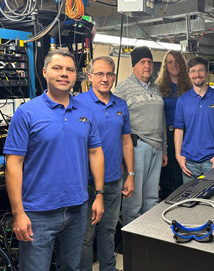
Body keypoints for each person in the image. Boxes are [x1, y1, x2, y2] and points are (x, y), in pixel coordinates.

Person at [3, 49, 105, 271]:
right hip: (37, 212)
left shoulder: (86, 112)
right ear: (45, 72)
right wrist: (18, 213)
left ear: (76, 75)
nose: (64, 74)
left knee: (71, 267)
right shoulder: (27, 113)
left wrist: (99, 194)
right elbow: (13, 164)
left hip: (77, 208)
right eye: (57, 68)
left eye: (70, 69)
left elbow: (95, 152)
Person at [76, 56, 134, 271]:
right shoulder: (78, 103)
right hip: (87, 182)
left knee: (108, 230)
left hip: (115, 179)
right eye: (99, 74)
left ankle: (108, 267)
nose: (105, 78)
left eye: (109, 74)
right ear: (90, 76)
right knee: (85, 235)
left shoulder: (121, 104)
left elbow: (126, 141)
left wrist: (131, 174)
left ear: (114, 77)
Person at [113, 46, 167, 225]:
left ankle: (149, 236)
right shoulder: (123, 89)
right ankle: (132, 239)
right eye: (142, 62)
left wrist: (164, 149)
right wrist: (121, 158)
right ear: (134, 66)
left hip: (157, 148)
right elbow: (116, 125)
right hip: (136, 148)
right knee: (134, 199)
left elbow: (162, 120)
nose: (147, 66)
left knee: (152, 197)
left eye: (150, 62)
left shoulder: (156, 88)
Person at [174, 57, 214, 183]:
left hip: (212, 161)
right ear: (189, 74)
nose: (197, 75)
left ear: (207, 73)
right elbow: (179, 129)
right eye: (193, 71)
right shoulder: (182, 100)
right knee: (190, 200)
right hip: (189, 162)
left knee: (213, 200)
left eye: (201, 70)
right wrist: (178, 155)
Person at [155, 50, 192, 200]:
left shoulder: (190, 86)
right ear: (165, 65)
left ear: (182, 64)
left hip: (187, 134)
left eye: (177, 61)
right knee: (167, 176)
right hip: (167, 135)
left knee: (184, 173)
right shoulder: (159, 87)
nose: (174, 64)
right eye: (170, 62)